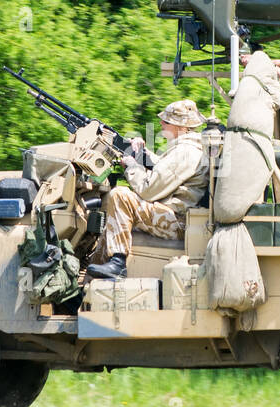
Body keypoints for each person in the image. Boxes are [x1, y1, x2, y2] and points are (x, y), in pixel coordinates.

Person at [85, 99, 209, 280]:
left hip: (177, 221)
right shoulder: (186, 149)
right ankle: (89, 280)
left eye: (166, 121)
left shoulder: (186, 152)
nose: (161, 123)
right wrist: (140, 153)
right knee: (113, 224)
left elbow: (148, 189)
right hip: (176, 215)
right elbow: (163, 170)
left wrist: (131, 166)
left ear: (180, 127)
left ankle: (118, 263)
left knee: (120, 196)